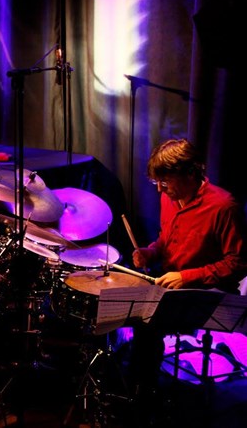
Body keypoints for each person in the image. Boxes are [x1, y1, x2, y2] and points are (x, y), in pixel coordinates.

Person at [127, 138, 247, 420]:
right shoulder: (168, 199)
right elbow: (166, 241)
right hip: (172, 286)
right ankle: (138, 391)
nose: (160, 190)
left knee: (146, 324)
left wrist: (186, 277)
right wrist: (149, 252)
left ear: (191, 173)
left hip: (209, 293)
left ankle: (145, 401)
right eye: (156, 183)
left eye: (165, 182)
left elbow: (238, 263)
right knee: (129, 308)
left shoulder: (223, 206)